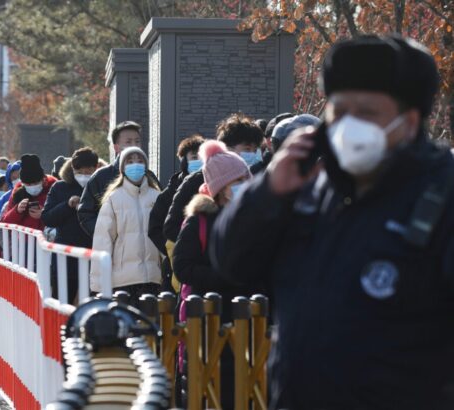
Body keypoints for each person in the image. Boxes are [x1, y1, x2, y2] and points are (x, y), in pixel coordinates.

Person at [211, 35, 454, 410]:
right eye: (339, 112)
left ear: (409, 121)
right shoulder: (306, 186)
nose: (349, 125)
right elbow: (231, 261)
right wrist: (269, 191)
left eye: (368, 112)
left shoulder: (442, 194)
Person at [173, 140, 252, 410]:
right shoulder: (199, 221)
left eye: (246, 177)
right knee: (210, 387)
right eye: (238, 179)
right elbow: (182, 266)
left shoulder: (255, 218)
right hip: (208, 320)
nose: (245, 183)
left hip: (249, 320)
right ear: (220, 187)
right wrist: (222, 277)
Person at [163, 113, 262, 243]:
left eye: (255, 150)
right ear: (226, 148)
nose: (253, 155)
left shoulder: (254, 180)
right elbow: (171, 227)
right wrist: (204, 246)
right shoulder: (196, 181)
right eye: (247, 149)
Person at [90, 147, 161, 306]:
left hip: (153, 279)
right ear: (122, 168)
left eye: (140, 161)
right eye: (130, 161)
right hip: (122, 281)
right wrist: (99, 284)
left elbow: (163, 238)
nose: (135, 165)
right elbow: (103, 242)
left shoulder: (156, 196)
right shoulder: (114, 199)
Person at [78, 121, 159, 238]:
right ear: (116, 147)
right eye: (128, 142)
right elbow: (86, 213)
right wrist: (105, 234)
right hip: (114, 250)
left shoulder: (149, 176)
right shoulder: (101, 177)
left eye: (137, 141)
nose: (134, 145)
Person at [148, 134, 205, 293]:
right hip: (174, 263)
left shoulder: (211, 187)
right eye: (194, 157)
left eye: (201, 156)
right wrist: (171, 248)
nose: (198, 161)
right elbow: (155, 227)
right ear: (184, 161)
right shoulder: (170, 193)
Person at [42, 148, 99, 303]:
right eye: (80, 171)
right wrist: (67, 205)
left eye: (89, 171)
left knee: (92, 304)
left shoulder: (101, 187)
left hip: (93, 255)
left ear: (96, 168)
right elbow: (47, 218)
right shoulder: (60, 187)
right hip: (65, 258)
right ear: (73, 169)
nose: (84, 175)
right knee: (61, 302)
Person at [1, 153, 56, 230]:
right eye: (28, 184)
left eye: (36, 183)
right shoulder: (18, 190)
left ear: (43, 179)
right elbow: (5, 222)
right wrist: (17, 210)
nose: (32, 187)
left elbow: (64, 215)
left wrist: (44, 215)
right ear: (23, 183)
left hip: (46, 238)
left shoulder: (54, 186)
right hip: (23, 239)